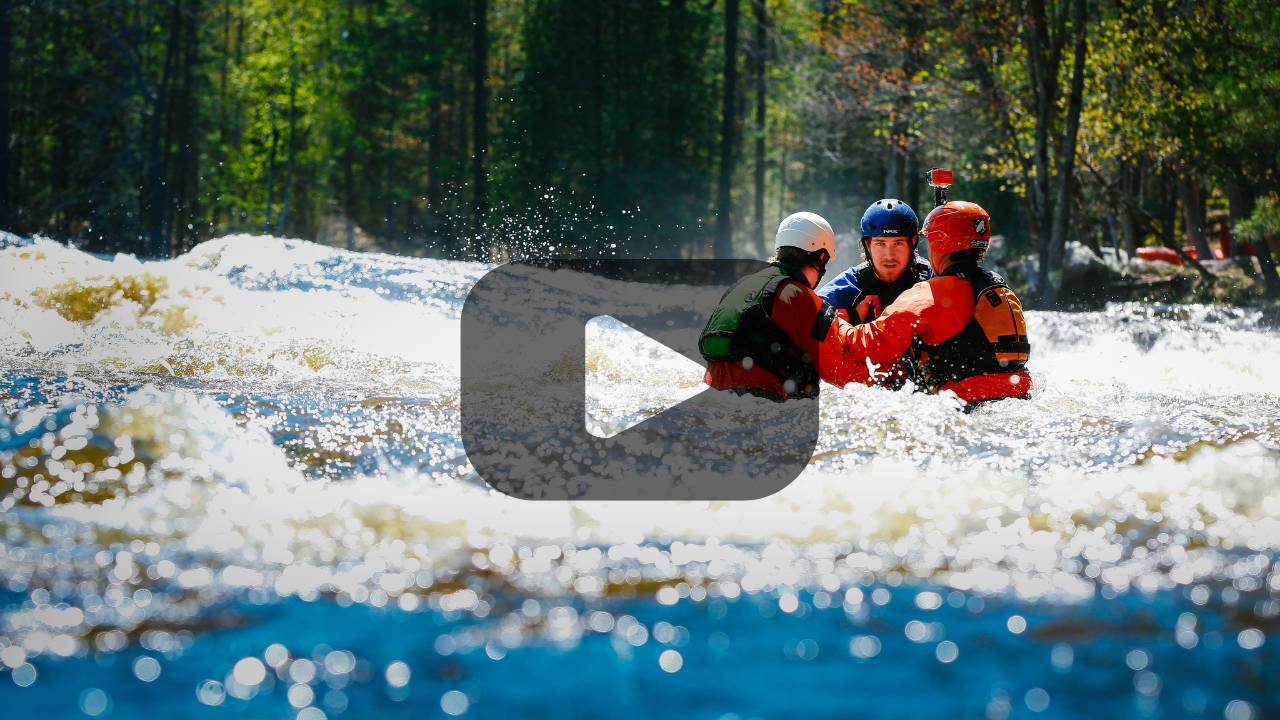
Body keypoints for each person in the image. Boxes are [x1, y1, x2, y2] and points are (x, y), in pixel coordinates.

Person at [698, 212, 945, 401]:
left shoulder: (746, 284)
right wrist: (903, 377)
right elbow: (842, 371)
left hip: (715, 393)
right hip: (761, 400)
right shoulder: (798, 295)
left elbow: (782, 324)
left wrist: (848, 315)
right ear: (821, 257)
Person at [874, 200, 1033, 406]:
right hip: (1018, 395)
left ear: (940, 242)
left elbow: (870, 341)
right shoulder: (997, 285)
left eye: (930, 241)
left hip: (962, 402)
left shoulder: (931, 292)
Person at [818, 199, 932, 324]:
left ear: (913, 242)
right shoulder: (853, 283)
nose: (889, 255)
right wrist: (853, 317)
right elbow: (807, 316)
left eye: (898, 243)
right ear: (867, 245)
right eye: (880, 244)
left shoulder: (931, 280)